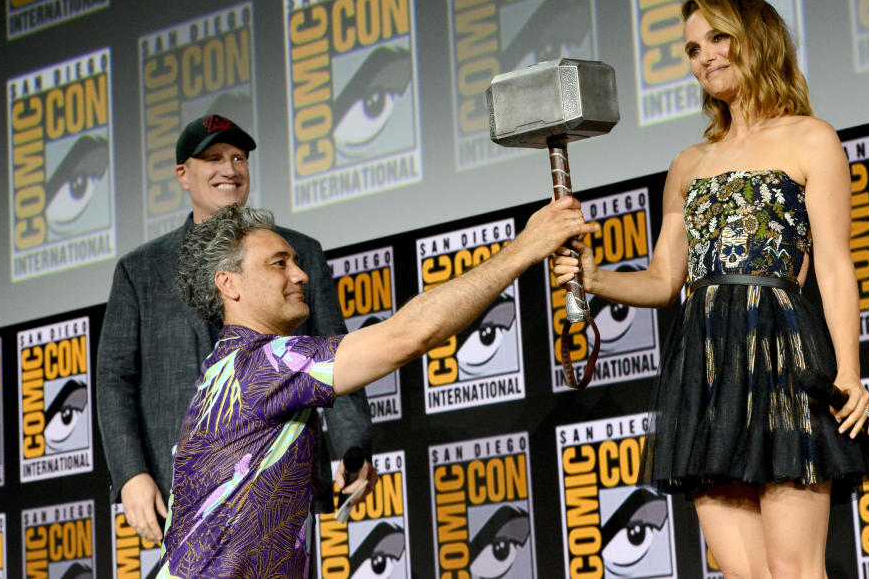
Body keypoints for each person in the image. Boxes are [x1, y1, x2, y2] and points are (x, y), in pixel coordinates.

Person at [554, 0, 869, 577]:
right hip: (705, 372)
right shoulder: (687, 164)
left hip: (785, 359)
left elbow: (835, 267)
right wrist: (594, 277)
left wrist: (849, 375)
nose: (703, 56)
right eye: (691, 48)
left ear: (757, 39)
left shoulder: (811, 138)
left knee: (794, 570)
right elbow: (663, 281)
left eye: (717, 38)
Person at [156, 200, 597, 577]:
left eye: (295, 260)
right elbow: (409, 335)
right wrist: (525, 248)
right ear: (229, 284)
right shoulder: (260, 364)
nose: (301, 275)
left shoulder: (233, 367)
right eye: (279, 263)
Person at [97, 115, 376, 546]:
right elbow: (114, 379)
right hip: (186, 493)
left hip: (279, 481)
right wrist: (131, 474)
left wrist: (353, 446)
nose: (229, 169)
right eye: (213, 158)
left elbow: (335, 353)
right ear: (183, 175)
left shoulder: (299, 253)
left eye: (238, 158)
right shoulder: (140, 270)